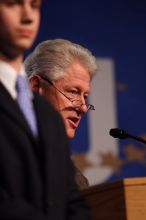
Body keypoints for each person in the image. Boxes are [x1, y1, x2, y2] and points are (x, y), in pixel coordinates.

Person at [0, 1, 89, 219]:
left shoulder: (48, 117)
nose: (28, 16)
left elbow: (73, 202)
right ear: (36, 86)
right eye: (13, 3)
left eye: (35, 5)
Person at [24, 39, 98, 189]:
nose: (83, 108)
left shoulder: (76, 178)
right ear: (36, 86)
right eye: (73, 92)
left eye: (85, 96)